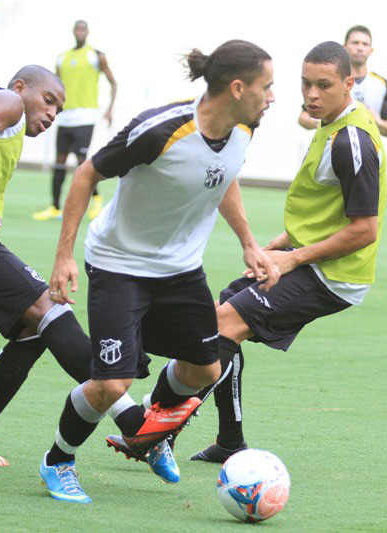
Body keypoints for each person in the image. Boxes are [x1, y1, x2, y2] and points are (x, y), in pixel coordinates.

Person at [39, 39, 280, 504]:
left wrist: (249, 242)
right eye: (266, 87)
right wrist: (64, 257)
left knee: (205, 368)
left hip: (180, 269)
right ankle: (58, 461)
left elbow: (222, 175)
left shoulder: (245, 129)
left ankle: (148, 433)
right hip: (119, 264)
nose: (272, 97)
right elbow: (86, 174)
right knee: (112, 384)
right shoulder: (160, 129)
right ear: (236, 88)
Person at [0, 65, 157, 471]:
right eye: (48, 100)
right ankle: (134, 423)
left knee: (31, 333)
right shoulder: (6, 100)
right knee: (50, 309)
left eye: (59, 108)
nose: (53, 113)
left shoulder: (11, 129)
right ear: (21, 88)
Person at [185, 41, 387, 463]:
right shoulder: (330, 124)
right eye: (306, 84)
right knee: (224, 310)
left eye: (324, 85)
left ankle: (157, 432)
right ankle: (229, 442)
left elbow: (365, 229)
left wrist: (293, 258)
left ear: (349, 83)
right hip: (312, 260)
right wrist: (278, 245)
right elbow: (326, 212)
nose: (311, 94)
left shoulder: (351, 139)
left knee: (223, 323)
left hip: (336, 276)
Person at [32, 20, 116, 222]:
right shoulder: (62, 58)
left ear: (87, 32)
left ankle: (96, 200)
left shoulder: (96, 56)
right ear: (73, 32)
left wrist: (110, 109)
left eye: (83, 30)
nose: (80, 33)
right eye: (77, 29)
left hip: (86, 116)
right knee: (59, 162)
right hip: (65, 118)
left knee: (81, 162)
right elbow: (54, 87)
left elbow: (113, 83)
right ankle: (54, 206)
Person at [298, 25, 387, 138]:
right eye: (355, 43)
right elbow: (303, 117)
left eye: (365, 44)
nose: (360, 48)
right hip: (332, 146)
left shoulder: (381, 84)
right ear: (344, 47)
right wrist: (326, 121)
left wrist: (376, 121)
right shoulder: (330, 79)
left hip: (368, 150)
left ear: (371, 50)